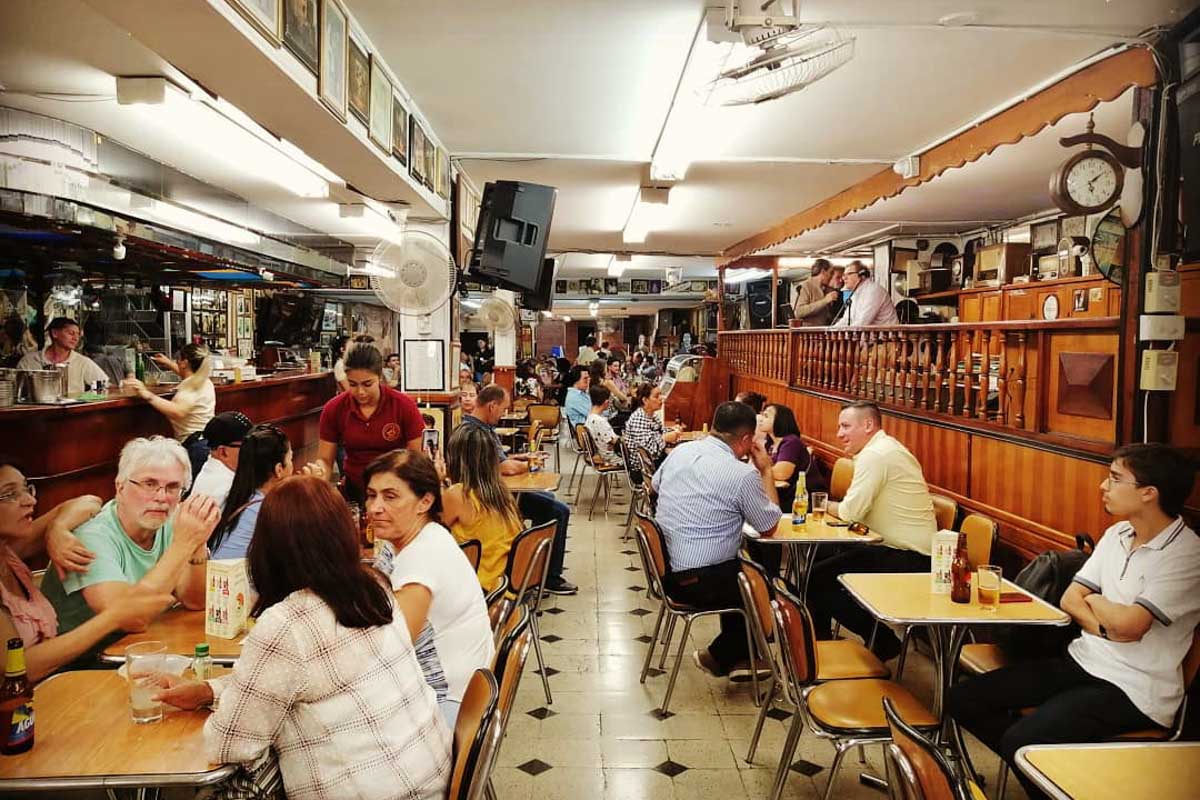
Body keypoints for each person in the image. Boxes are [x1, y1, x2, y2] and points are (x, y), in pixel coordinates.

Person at [154, 476, 451, 800]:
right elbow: (292, 679)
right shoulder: (374, 587)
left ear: (269, 549)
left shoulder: (287, 624)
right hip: (428, 779)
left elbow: (229, 744)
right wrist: (208, 690)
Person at [948, 444, 1200, 800]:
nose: (1103, 486)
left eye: (1114, 478)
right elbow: (1071, 599)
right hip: (1084, 659)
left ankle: (1042, 759)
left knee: (1022, 740)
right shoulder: (1117, 534)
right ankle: (1056, 771)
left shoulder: (1187, 554)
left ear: (1149, 493)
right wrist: (1103, 621)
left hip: (1135, 689)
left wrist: (1095, 600)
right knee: (963, 698)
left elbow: (1130, 626)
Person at [0, 458, 169, 681]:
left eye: (26, 488)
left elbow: (88, 503)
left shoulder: (9, 548)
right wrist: (113, 617)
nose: (30, 500)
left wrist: (57, 529)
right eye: (10, 494)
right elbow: (19, 668)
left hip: (58, 684)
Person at [39, 436, 220, 639]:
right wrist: (184, 544)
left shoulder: (173, 521)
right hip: (85, 661)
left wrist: (198, 545)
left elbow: (196, 602)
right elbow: (130, 621)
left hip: (143, 645)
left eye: (172, 487)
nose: (161, 497)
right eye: (149, 484)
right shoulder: (91, 536)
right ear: (120, 487)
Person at [653, 401, 781, 678]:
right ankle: (723, 656)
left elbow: (654, 485)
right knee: (768, 586)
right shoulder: (742, 474)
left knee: (740, 570)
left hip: (665, 569)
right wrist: (766, 471)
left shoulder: (680, 452)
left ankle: (738, 657)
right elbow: (769, 526)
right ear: (747, 439)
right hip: (695, 581)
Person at [366, 451, 494, 727]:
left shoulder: (422, 559)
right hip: (455, 687)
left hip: (446, 705)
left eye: (390, 496)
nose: (375, 507)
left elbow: (390, 647)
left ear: (425, 501)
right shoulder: (413, 537)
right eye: (371, 495)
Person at [807, 401, 936, 659]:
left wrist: (821, 504)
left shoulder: (876, 455)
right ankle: (820, 643)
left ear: (868, 425)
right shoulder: (883, 449)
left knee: (815, 580)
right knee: (818, 563)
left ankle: (881, 641)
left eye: (845, 426)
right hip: (890, 547)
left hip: (910, 558)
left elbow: (849, 513)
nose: (839, 434)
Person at [462, 385, 577, 595]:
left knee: (548, 499)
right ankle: (549, 576)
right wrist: (529, 464)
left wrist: (520, 458)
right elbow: (503, 468)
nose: (503, 414)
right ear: (491, 406)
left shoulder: (479, 428)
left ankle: (539, 567)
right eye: (502, 409)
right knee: (558, 511)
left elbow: (500, 461)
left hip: (495, 493)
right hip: (491, 500)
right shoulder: (477, 434)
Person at [317, 344, 424, 502]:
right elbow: (325, 460)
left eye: (367, 384)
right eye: (353, 384)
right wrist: (320, 475)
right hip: (353, 488)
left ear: (380, 377)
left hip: (395, 489)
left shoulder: (403, 405)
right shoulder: (334, 408)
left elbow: (416, 458)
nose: (360, 392)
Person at [441, 426, 523, 592]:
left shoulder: (458, 494)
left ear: (455, 459)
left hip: (478, 591)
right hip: (508, 588)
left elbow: (426, 530)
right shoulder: (503, 493)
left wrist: (436, 480)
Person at [125, 343, 216, 479]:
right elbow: (185, 373)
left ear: (184, 363)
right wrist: (168, 363)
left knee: (188, 491)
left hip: (195, 447)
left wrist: (145, 393)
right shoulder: (202, 380)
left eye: (178, 359)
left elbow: (178, 412)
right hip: (205, 442)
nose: (177, 362)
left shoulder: (190, 387)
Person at [208, 425, 293, 561]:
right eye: (290, 460)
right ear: (279, 470)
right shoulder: (267, 510)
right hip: (235, 580)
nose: (292, 466)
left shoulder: (237, 497)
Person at [17, 317, 107, 396]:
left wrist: (81, 399)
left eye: (78, 334)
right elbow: (16, 390)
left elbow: (103, 386)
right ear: (55, 333)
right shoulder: (30, 361)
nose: (75, 338)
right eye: (71, 333)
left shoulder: (82, 362)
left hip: (72, 412)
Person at [761, 403, 827, 511]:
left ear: (779, 420)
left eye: (766, 416)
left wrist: (761, 469)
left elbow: (782, 473)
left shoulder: (791, 442)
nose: (761, 419)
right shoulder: (770, 443)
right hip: (785, 494)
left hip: (804, 498)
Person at [189, 411, 253, 509]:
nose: (253, 449)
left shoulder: (219, 469)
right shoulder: (225, 490)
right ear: (223, 451)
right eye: (246, 445)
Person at [623, 384, 681, 468]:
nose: (661, 398)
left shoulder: (652, 415)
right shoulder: (639, 419)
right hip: (644, 468)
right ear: (645, 400)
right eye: (657, 396)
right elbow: (651, 451)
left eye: (661, 394)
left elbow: (660, 430)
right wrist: (665, 438)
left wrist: (673, 430)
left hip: (653, 462)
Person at [836, 262, 899, 327]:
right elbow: (846, 319)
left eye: (849, 274)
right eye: (844, 275)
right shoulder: (856, 293)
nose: (844, 278)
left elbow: (863, 322)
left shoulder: (873, 290)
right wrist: (831, 330)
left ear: (862, 275)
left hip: (887, 335)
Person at [792, 259, 845, 327]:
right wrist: (825, 300)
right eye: (830, 273)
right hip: (808, 333)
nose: (831, 276)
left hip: (822, 332)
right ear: (823, 272)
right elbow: (799, 312)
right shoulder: (806, 286)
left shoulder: (826, 289)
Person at [584, 385, 622, 464]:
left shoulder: (589, 417)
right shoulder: (600, 421)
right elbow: (613, 441)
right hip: (611, 457)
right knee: (637, 459)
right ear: (606, 402)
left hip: (603, 453)